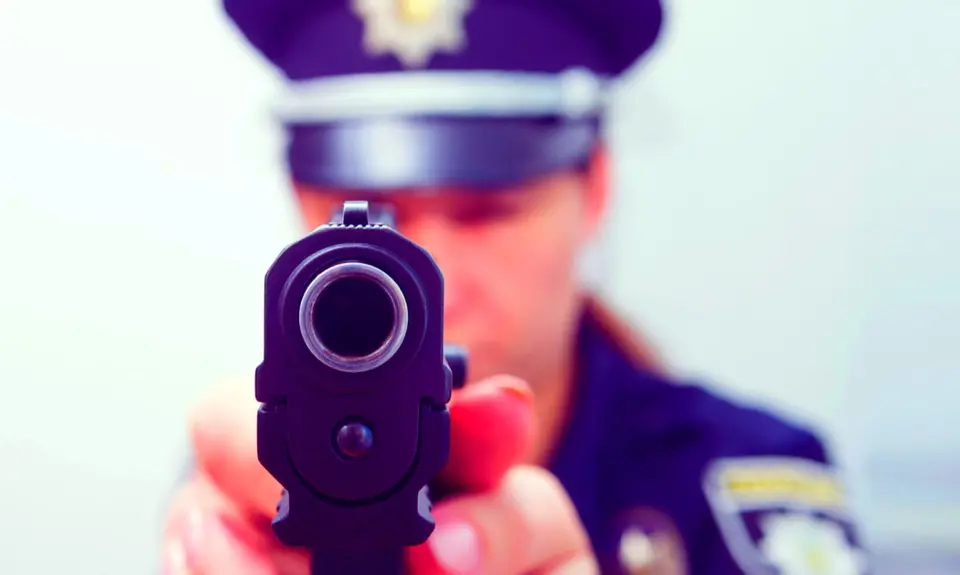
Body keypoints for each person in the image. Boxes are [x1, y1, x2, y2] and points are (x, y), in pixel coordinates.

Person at [162, 0, 869, 573]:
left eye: (486, 212)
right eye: (374, 221)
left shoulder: (741, 484)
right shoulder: (258, 484)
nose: (428, 276)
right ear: (301, 197)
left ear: (595, 187)